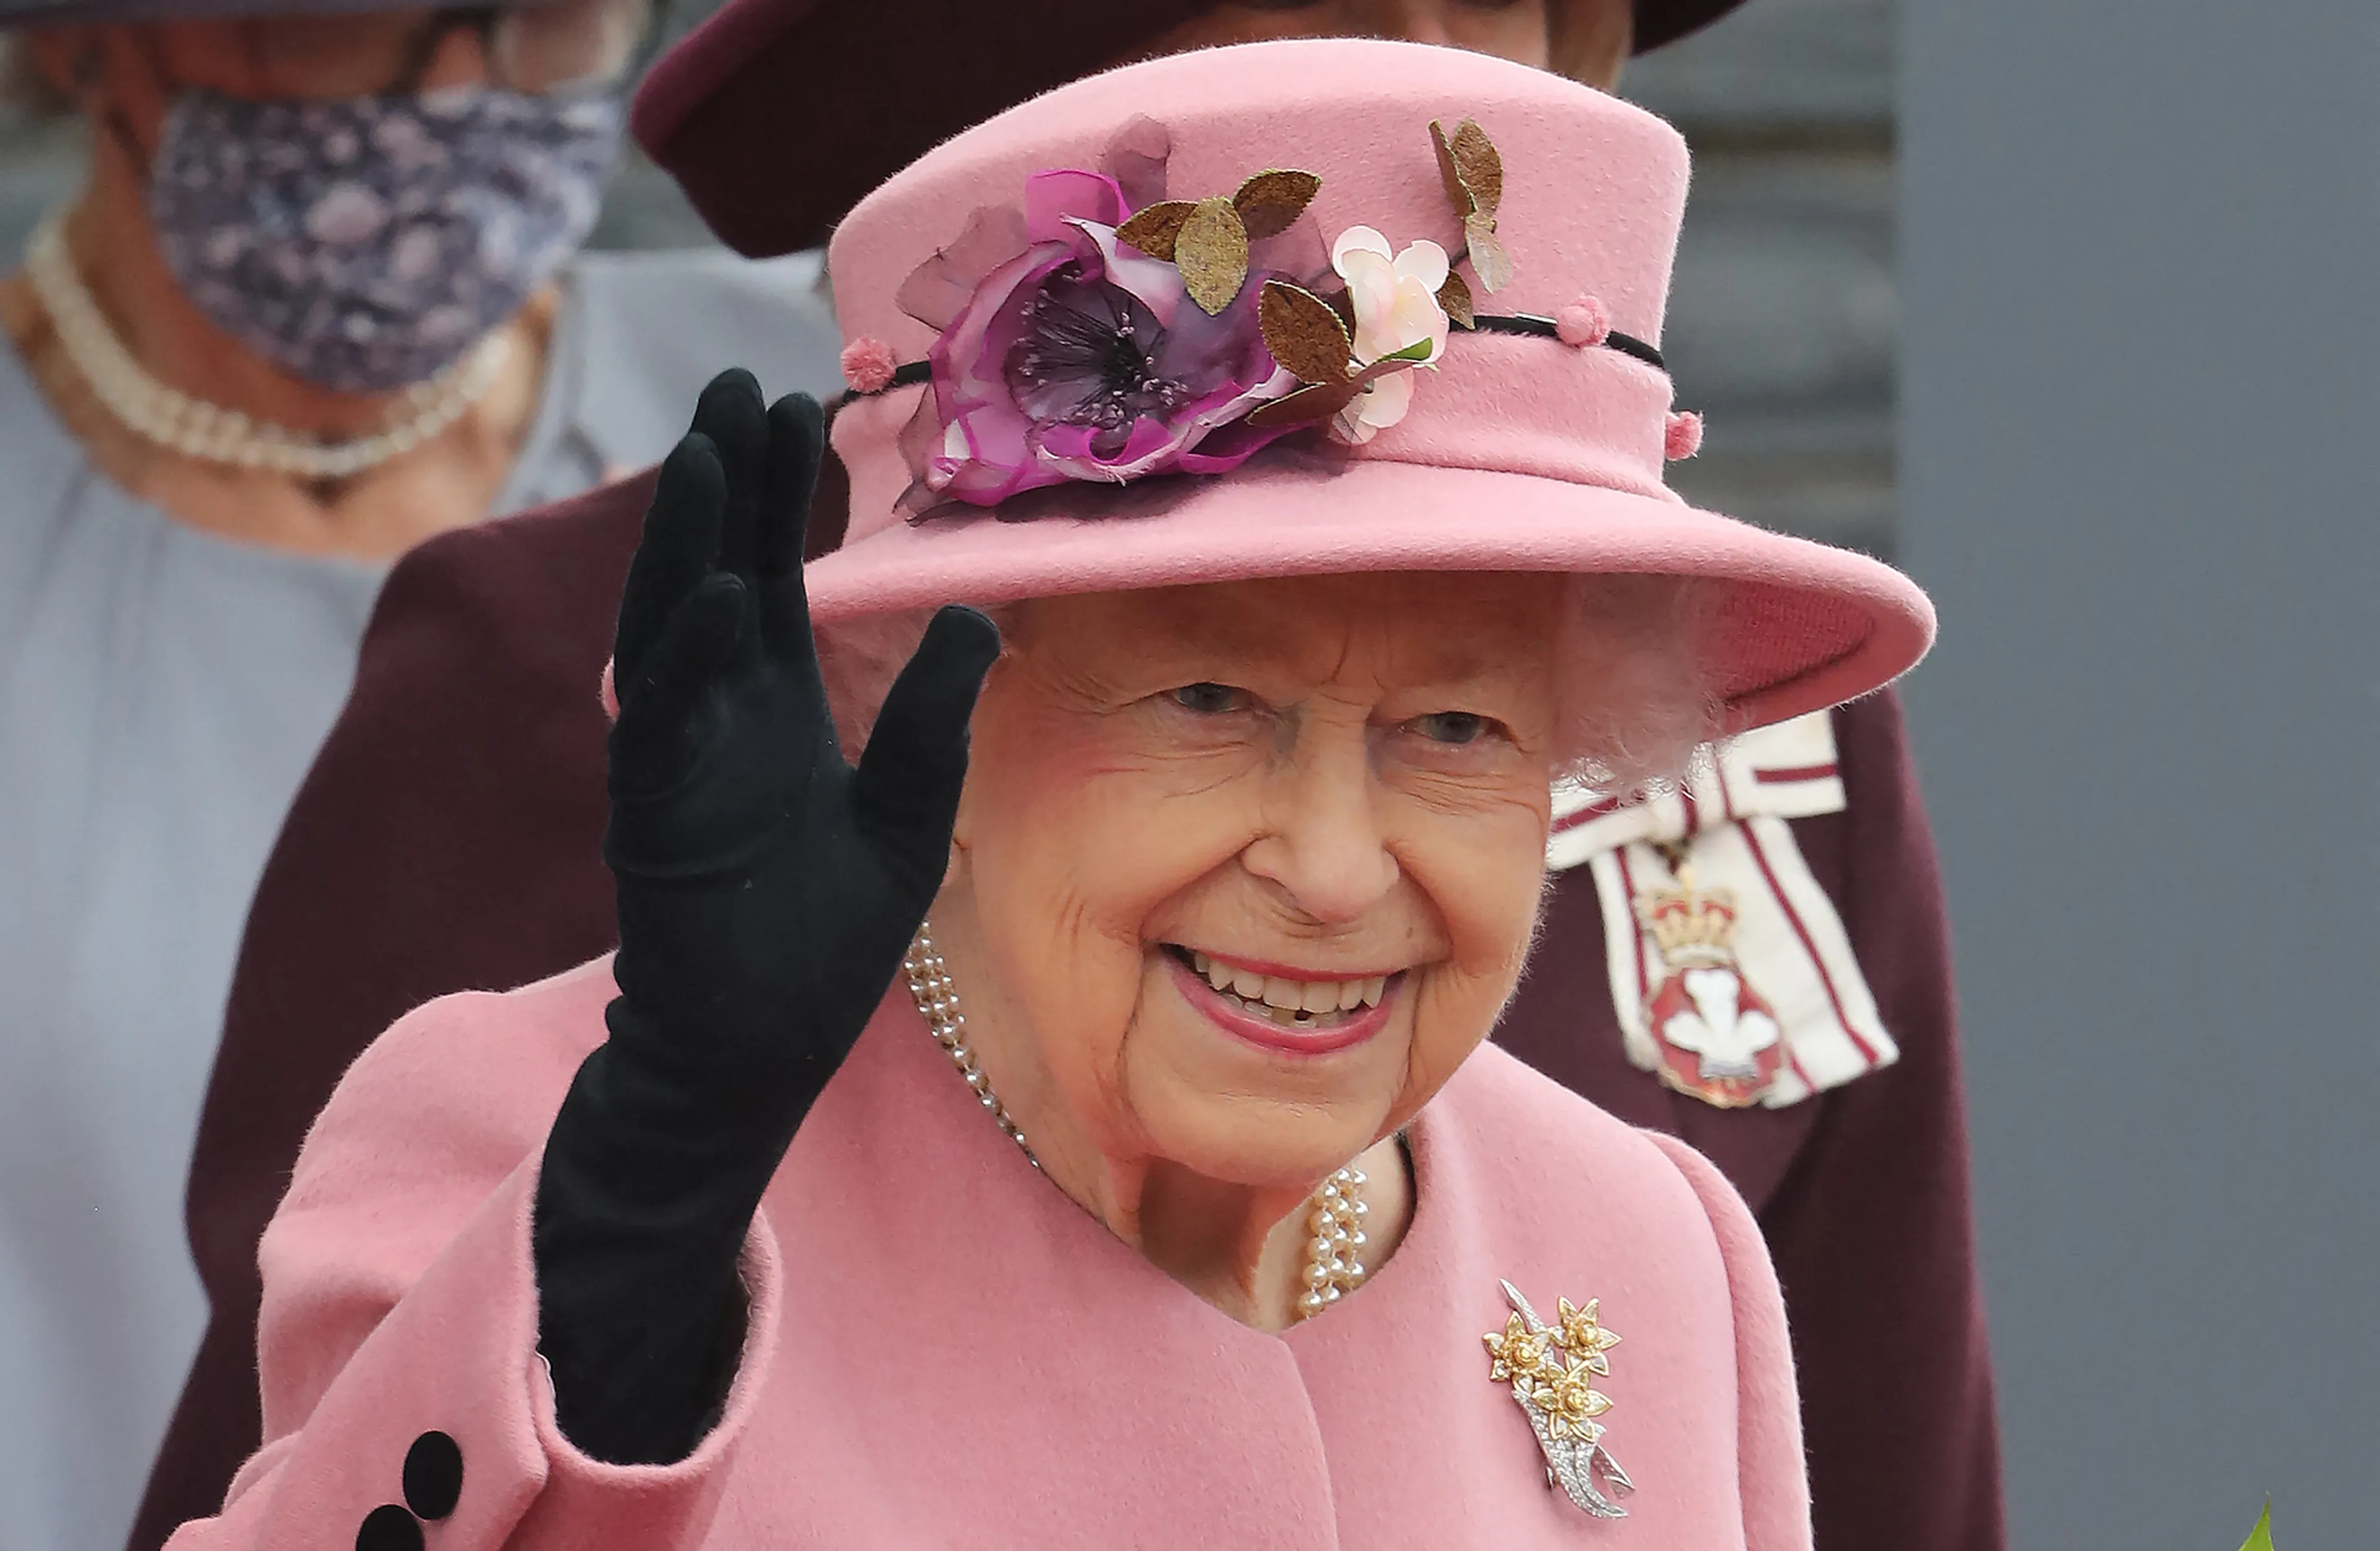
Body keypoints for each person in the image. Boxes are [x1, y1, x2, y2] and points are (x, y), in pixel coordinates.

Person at [143, 6, 2004, 1551]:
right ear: (924, 680)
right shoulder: (524, 1075)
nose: (1340, 863)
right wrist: (618, 1285)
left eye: (1459, 728)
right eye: (1204, 695)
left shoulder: (1655, 1252)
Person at [0, 3, 842, 1547]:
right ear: (79, 44)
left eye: (548, 24)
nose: (460, 100)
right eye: (333, 31)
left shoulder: (824, 432)